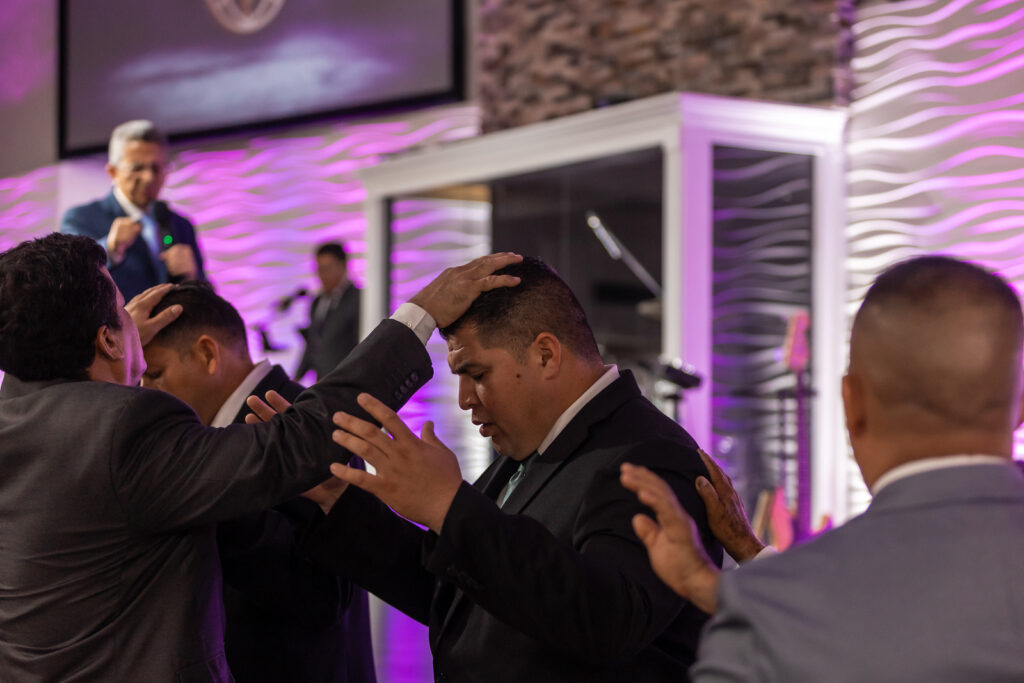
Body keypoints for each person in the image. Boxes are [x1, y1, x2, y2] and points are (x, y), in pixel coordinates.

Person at [0, 232, 520, 681]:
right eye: (122, 315)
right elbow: (299, 440)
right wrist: (419, 316)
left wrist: (109, 341)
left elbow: (320, 598)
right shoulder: (130, 428)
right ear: (108, 340)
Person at [277, 256, 723, 682]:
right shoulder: (532, 447)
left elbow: (607, 621)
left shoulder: (650, 453)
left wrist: (449, 505)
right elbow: (461, 594)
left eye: (476, 374)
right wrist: (340, 501)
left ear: (545, 354)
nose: (464, 399)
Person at [622, 255, 1024, 681]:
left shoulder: (767, 626)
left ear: (853, 404)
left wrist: (746, 599)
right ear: (1020, 406)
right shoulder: (773, 608)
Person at [140, 282, 375, 683]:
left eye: (155, 374)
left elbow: (322, 595)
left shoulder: (301, 425)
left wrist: (200, 496)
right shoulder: (262, 424)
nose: (146, 394)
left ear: (207, 353)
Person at [61, 119, 206, 300]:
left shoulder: (180, 225)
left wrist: (192, 277)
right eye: (137, 168)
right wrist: (109, 249)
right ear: (113, 172)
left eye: (155, 168)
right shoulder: (81, 219)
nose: (148, 177)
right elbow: (70, 283)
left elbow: (209, 300)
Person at [295, 242, 360, 381]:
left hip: (348, 380)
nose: (323, 275)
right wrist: (297, 377)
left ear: (343, 266)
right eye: (320, 269)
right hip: (322, 381)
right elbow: (313, 343)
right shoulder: (317, 302)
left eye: (328, 268)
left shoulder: (359, 299)